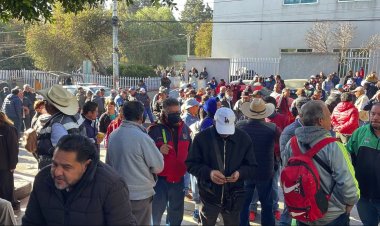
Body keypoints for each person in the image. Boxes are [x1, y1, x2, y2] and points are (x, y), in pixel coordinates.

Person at [22, 134, 137, 225]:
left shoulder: (111, 185)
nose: (57, 172)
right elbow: (31, 221)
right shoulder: (43, 178)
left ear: (86, 165)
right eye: (55, 164)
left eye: (66, 167)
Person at [282, 100, 359, 226]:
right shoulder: (334, 146)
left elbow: (286, 172)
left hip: (302, 211)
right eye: (329, 116)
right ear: (320, 121)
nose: (332, 120)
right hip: (330, 214)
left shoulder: (292, 143)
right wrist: (350, 202)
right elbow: (347, 180)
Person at [186, 107, 257, 225]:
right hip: (209, 195)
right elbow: (191, 164)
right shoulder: (201, 138)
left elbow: (252, 166)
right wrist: (209, 173)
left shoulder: (243, 138)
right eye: (222, 130)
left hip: (234, 195)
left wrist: (240, 173)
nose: (225, 134)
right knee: (207, 222)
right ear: (214, 122)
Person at [107, 101, 164, 225]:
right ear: (141, 116)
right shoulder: (143, 138)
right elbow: (158, 167)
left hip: (117, 194)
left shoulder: (113, 135)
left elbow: (108, 165)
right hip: (139, 196)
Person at [148, 98, 192, 225]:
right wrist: (158, 149)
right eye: (172, 113)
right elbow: (144, 154)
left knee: (176, 215)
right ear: (164, 112)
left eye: (178, 112)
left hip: (179, 180)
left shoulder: (185, 129)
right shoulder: (154, 129)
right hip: (159, 181)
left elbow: (191, 151)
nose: (176, 116)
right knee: (155, 215)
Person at [237, 98, 280, 226]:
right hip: (265, 172)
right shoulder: (273, 128)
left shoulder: (239, 126)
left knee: (243, 205)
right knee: (267, 205)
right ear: (264, 113)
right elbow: (281, 147)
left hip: (245, 171)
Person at [35, 85, 85, 169]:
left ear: (50, 105)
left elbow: (62, 153)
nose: (44, 105)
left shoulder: (57, 124)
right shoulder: (76, 116)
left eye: (45, 102)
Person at [346, 102, 380, 226]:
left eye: (379, 115)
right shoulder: (360, 133)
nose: (375, 117)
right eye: (373, 114)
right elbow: (348, 158)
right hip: (364, 196)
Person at [0, 112, 19, 211]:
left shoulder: (9, 129)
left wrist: (13, 164)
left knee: (6, 189)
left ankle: (10, 208)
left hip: (5, 166)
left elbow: (13, 149)